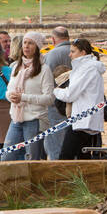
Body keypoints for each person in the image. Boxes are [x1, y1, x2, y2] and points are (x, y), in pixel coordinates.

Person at [3, 31, 55, 161]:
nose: (26, 46)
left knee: (32, 159)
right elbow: (8, 90)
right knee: (7, 156)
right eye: (24, 43)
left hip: (35, 120)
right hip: (16, 118)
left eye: (30, 43)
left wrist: (24, 97)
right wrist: (11, 96)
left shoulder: (44, 70)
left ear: (37, 47)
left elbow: (49, 98)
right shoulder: (15, 67)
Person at [54, 38, 107, 159]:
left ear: (83, 53)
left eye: (73, 51)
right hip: (85, 120)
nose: (69, 54)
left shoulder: (86, 69)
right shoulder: (87, 68)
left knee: (65, 158)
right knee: (83, 158)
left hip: (83, 122)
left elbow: (70, 94)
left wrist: (56, 91)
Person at [42, 25, 73, 159]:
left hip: (56, 104)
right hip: (75, 102)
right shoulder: (76, 52)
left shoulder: (51, 55)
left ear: (53, 40)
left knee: (55, 143)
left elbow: (46, 80)